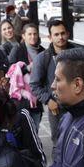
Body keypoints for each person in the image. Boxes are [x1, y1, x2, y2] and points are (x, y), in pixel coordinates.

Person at [30, 19, 76, 147]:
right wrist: (48, 100)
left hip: (78, 106)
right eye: (56, 34)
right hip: (57, 109)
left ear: (67, 34)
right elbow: (34, 84)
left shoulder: (77, 54)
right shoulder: (43, 58)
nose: (60, 37)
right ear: (50, 37)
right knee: (59, 143)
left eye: (62, 33)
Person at [8, 23, 45, 125]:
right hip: (22, 98)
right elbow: (10, 70)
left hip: (37, 96)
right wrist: (27, 68)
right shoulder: (18, 49)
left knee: (35, 126)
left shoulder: (42, 51)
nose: (32, 37)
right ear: (23, 36)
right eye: (29, 34)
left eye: (35, 34)